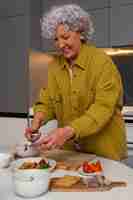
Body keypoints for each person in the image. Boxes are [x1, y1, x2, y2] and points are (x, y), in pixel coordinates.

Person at [25, 4, 127, 161]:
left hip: (103, 152)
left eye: (65, 37)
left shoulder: (101, 62)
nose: (60, 45)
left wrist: (67, 131)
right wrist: (38, 120)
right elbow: (47, 101)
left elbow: (102, 108)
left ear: (81, 32)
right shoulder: (54, 66)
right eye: (56, 39)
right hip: (70, 152)